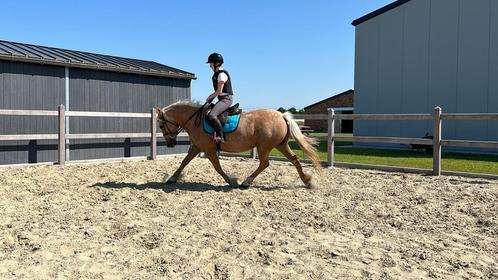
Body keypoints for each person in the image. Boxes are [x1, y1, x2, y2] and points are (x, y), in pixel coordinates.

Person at [206, 52, 234, 143]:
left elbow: (219, 91)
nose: (210, 66)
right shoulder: (216, 75)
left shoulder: (222, 75)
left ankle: (221, 137)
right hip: (221, 99)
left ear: (216, 63)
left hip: (226, 99)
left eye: (211, 64)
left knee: (212, 115)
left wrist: (210, 97)